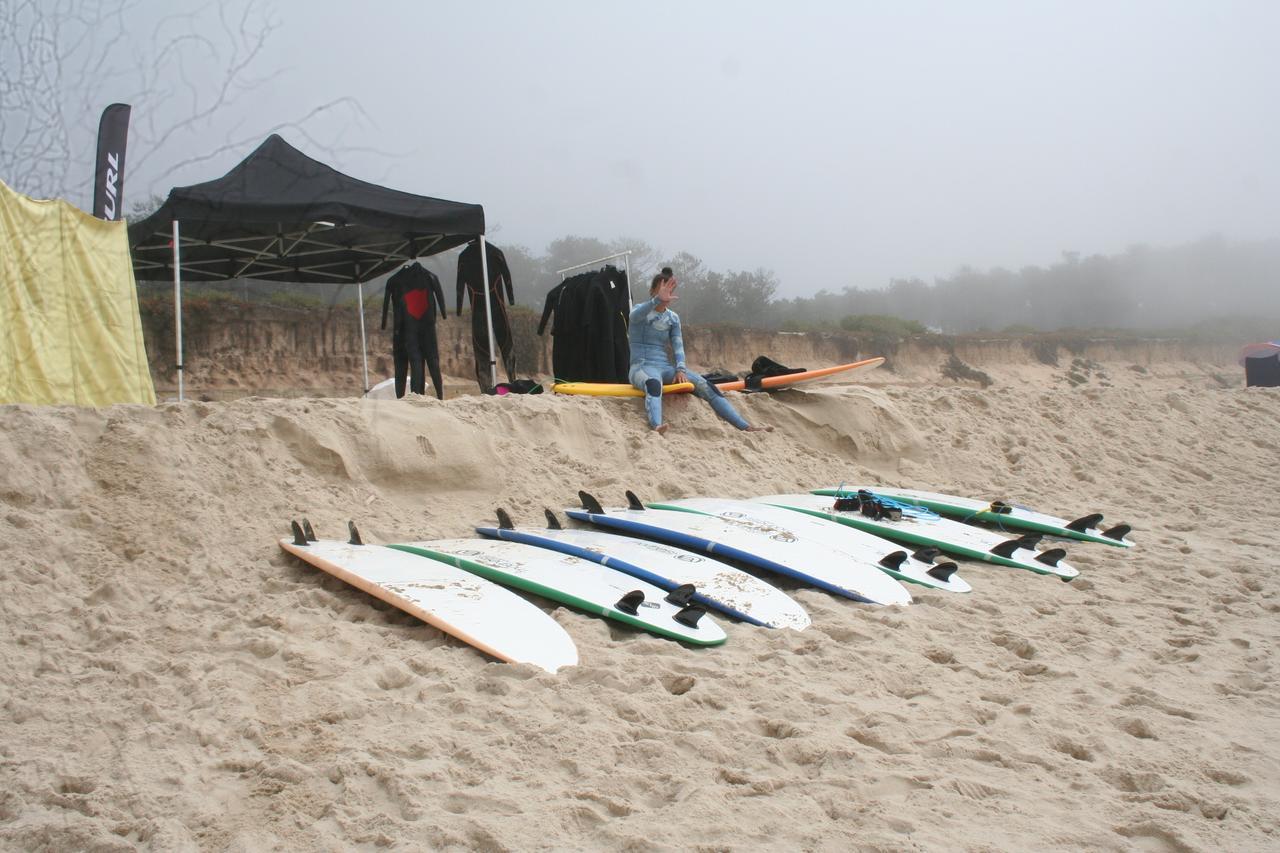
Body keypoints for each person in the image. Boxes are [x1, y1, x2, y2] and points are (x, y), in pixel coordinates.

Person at [628, 268, 770, 435]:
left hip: (666, 368)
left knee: (708, 386)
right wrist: (656, 300)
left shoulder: (673, 318)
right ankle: (656, 426)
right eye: (662, 290)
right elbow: (634, 317)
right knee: (653, 384)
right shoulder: (639, 311)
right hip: (641, 367)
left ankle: (746, 426)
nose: (667, 295)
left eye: (670, 291)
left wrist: (680, 369)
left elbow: (678, 346)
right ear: (653, 290)